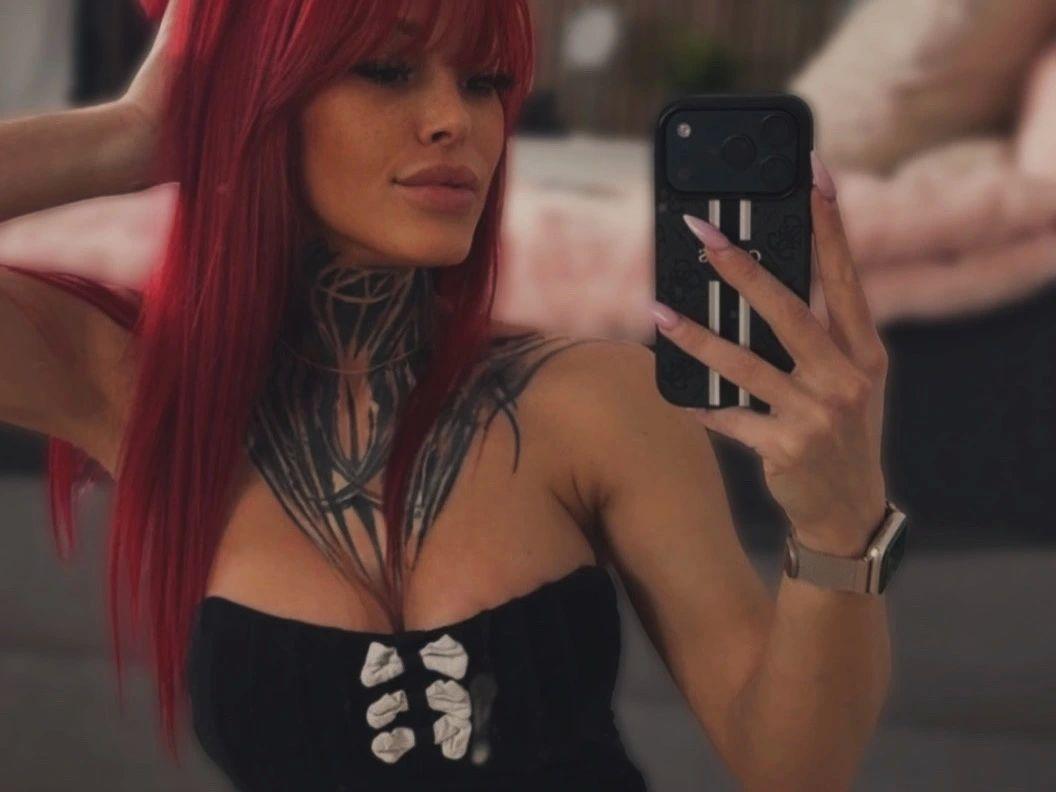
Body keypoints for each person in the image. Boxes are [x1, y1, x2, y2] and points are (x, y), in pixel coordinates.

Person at [0, 0, 897, 789]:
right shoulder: (144, 390)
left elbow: (793, 768)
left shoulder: (594, 402)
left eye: (485, 82)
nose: (454, 122)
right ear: (263, 98)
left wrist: (839, 528)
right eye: (387, 70)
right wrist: (136, 132)